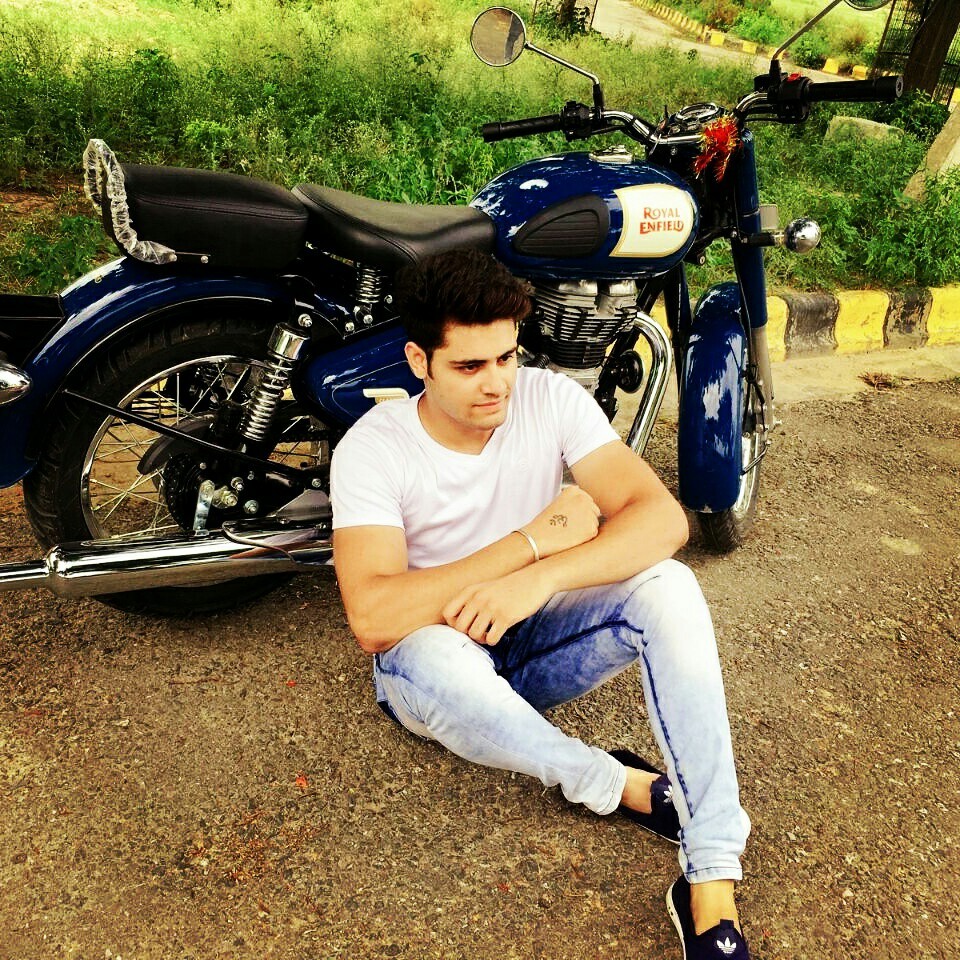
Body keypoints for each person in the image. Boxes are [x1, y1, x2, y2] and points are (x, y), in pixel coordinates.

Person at [330, 249, 753, 960]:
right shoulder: (374, 448)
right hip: (432, 669)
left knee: (670, 585)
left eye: (506, 357)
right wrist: (528, 543)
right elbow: (374, 618)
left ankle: (710, 872)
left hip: (531, 635)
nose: (497, 382)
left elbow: (661, 521)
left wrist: (542, 579)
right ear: (418, 361)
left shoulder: (548, 399)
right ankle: (611, 781)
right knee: (431, 651)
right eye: (470, 366)